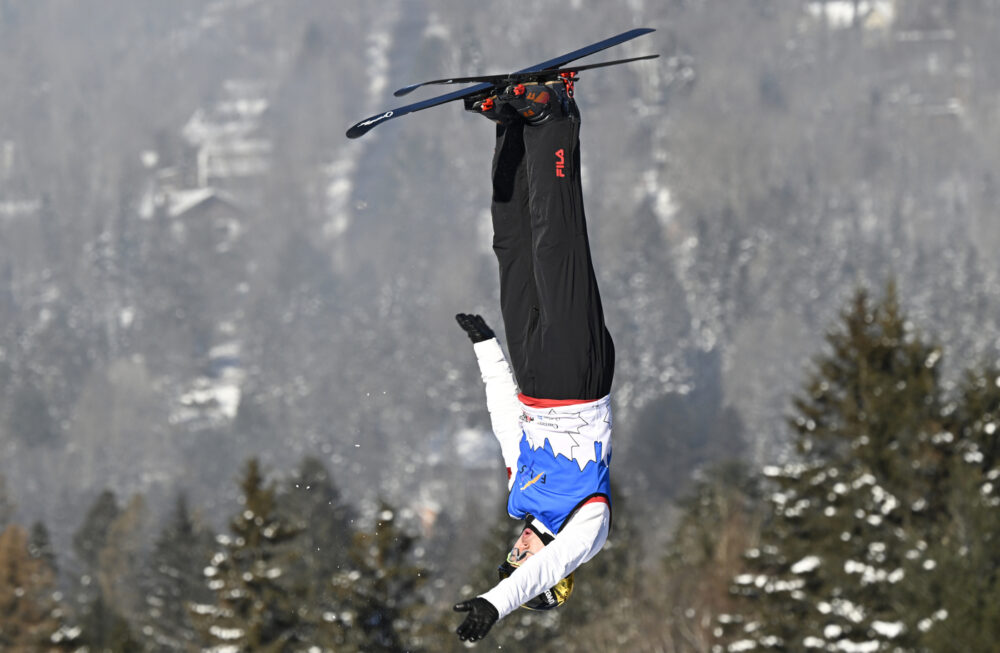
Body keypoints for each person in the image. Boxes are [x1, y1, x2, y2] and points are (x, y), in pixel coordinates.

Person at [452, 74, 616, 643]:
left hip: (532, 378)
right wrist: (497, 605)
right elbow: (543, 569)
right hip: (578, 375)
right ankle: (554, 118)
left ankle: (512, 127)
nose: (516, 550)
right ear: (555, 574)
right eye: (521, 560)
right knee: (556, 242)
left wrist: (486, 350)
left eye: (510, 557)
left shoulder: (522, 496)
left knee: (513, 249)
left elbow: (505, 422)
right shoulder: (586, 527)